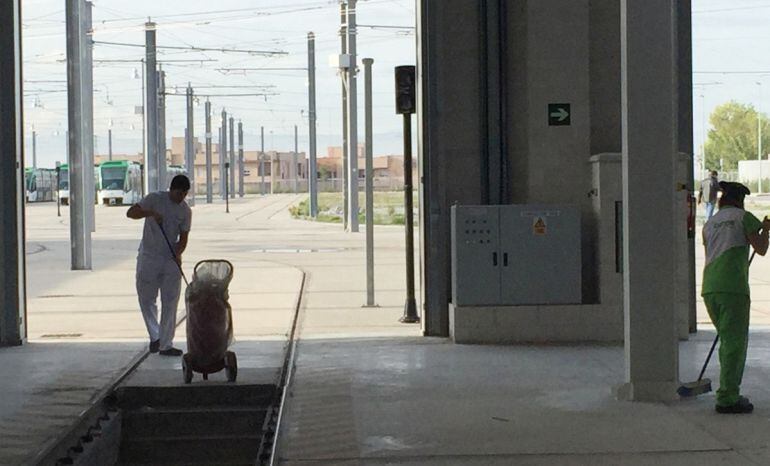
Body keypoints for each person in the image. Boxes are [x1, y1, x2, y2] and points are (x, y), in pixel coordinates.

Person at [701, 181, 769, 413]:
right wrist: (767, 229)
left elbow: (710, 251)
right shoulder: (744, 217)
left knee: (727, 341)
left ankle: (727, 389)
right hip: (733, 289)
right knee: (735, 344)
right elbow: (760, 248)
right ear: (740, 200)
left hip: (710, 287)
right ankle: (728, 397)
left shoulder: (710, 223)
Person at [127, 175, 192, 356]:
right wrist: (150, 213)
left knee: (170, 301)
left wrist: (178, 253)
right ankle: (155, 336)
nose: (182, 197)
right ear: (171, 189)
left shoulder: (185, 211)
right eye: (179, 193)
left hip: (170, 259)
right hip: (149, 257)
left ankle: (166, 344)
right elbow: (131, 213)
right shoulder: (154, 199)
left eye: (185, 194)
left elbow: (184, 238)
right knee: (146, 299)